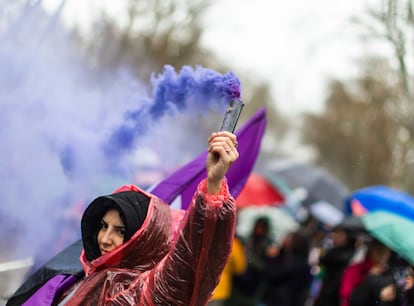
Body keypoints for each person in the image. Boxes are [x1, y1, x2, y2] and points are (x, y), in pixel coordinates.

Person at [7, 131, 239, 305]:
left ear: (141, 240)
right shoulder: (82, 272)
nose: (106, 238)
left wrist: (213, 187)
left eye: (120, 231)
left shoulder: (142, 292)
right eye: (104, 227)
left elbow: (189, 263)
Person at [261, 230, 312, 306]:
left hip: (278, 300)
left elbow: (274, 273)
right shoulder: (302, 262)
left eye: (288, 239)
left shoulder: (293, 261)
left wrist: (270, 257)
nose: (284, 240)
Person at [339, 238, 392, 306]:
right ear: (371, 250)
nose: (383, 257)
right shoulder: (355, 269)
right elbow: (346, 294)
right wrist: (369, 279)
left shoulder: (388, 273)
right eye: (379, 251)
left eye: (386, 253)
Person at [313, 227, 357, 306]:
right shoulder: (339, 251)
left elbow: (324, 259)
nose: (335, 236)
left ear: (346, 238)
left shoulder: (344, 254)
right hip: (326, 291)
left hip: (332, 295)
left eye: (339, 234)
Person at [207, 235, 247, 306]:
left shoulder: (207, 236)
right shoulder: (233, 243)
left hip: (201, 286)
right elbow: (240, 268)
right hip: (219, 290)